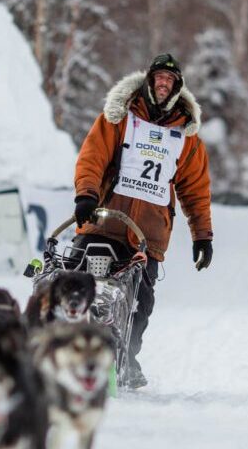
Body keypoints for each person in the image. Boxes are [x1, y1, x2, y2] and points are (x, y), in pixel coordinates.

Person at [72, 53, 214, 388]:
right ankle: (70, 347)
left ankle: (126, 357)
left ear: (177, 88)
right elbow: (92, 157)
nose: (163, 84)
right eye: (159, 78)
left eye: (170, 80)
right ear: (149, 81)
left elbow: (195, 190)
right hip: (103, 220)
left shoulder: (186, 137)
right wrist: (86, 195)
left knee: (140, 302)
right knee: (79, 284)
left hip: (147, 235)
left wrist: (202, 235)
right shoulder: (119, 118)